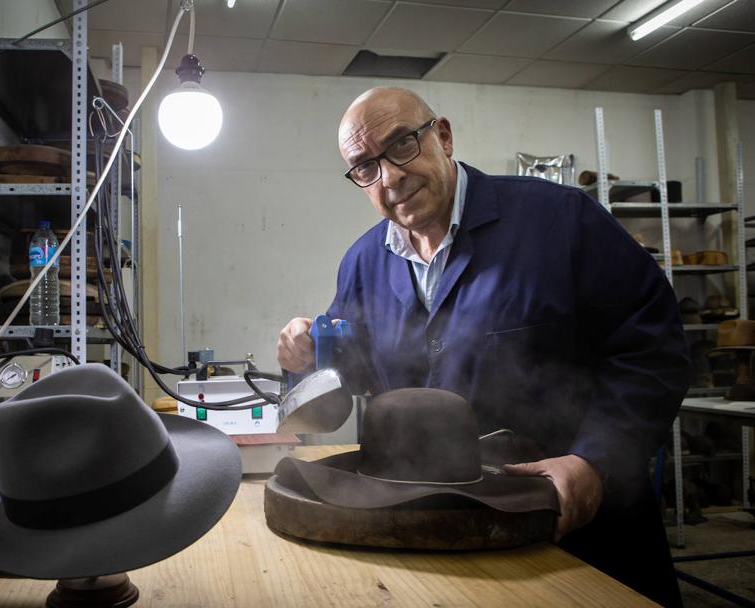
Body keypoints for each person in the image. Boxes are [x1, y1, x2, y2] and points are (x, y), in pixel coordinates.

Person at [276, 87, 689, 607]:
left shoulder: (560, 220)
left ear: (443, 137)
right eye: (365, 167)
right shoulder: (362, 264)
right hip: (428, 534)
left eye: (402, 144)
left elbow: (652, 349)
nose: (390, 176)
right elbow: (343, 388)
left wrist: (595, 461)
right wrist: (305, 359)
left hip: (574, 529)